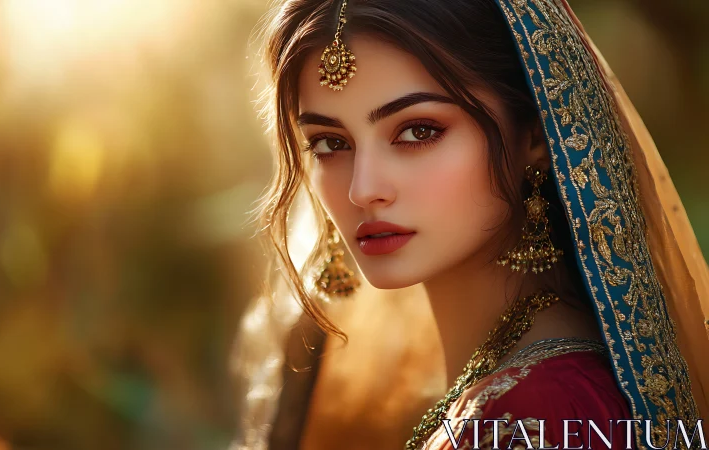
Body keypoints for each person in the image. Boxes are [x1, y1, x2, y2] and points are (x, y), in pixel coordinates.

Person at [230, 1, 709, 449]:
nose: (363, 189)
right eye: (329, 143)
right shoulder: (517, 390)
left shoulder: (541, 414)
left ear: (535, 135)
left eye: (418, 131)